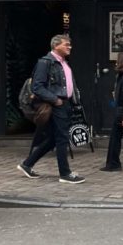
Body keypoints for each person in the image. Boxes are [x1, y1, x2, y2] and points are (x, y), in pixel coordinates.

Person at [17, 35, 85, 184]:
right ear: (56, 46)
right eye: (66, 44)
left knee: (53, 139)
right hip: (55, 104)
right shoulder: (45, 62)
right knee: (61, 138)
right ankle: (65, 174)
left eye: (70, 45)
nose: (70, 47)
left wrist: (73, 102)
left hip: (65, 104)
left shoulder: (63, 63)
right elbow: (37, 86)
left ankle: (27, 164)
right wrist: (55, 100)